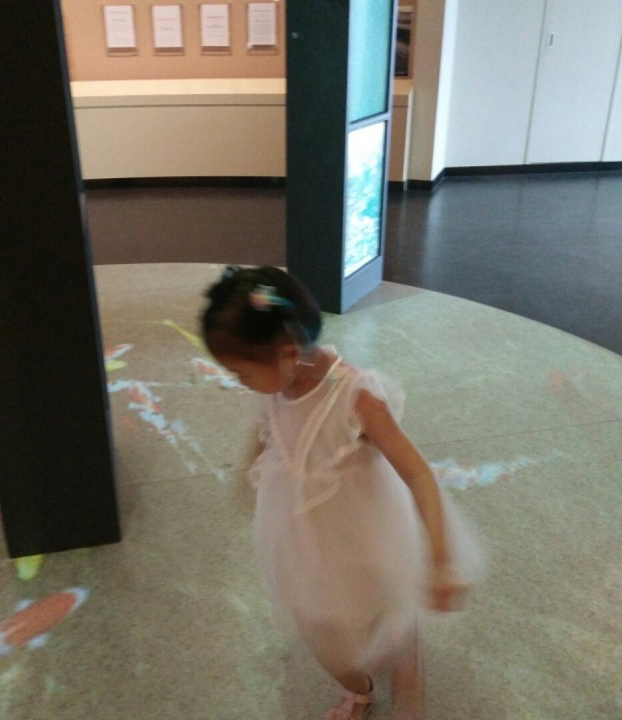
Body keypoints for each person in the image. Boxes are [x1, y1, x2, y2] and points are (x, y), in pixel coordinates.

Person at [201, 266, 482, 720]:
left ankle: (405, 649)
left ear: (288, 353)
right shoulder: (277, 380)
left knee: (380, 600)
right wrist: (249, 464)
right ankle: (358, 689)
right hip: (301, 532)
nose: (239, 382)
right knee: (319, 625)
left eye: (241, 373)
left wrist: (441, 557)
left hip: (362, 530)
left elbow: (418, 474)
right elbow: (267, 423)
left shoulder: (356, 398)